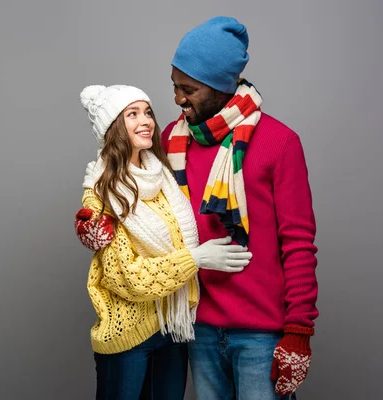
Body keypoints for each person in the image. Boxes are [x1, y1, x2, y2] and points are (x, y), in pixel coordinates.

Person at [74, 17, 319, 400]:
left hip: (260, 333)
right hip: (197, 328)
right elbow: (120, 168)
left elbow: (299, 243)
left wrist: (299, 332)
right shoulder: (172, 139)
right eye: (174, 86)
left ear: (222, 86)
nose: (177, 99)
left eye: (188, 89)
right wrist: (95, 208)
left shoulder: (279, 143)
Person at [76, 84, 253, 400]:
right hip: (128, 337)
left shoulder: (161, 176)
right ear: (114, 127)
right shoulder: (100, 195)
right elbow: (127, 277)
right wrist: (195, 259)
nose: (146, 121)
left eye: (147, 112)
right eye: (132, 114)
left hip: (173, 328)